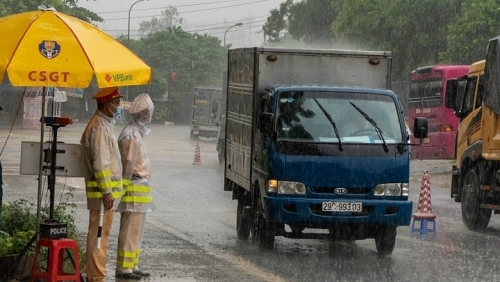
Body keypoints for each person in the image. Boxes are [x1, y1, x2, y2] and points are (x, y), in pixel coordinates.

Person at [80, 87, 124, 282]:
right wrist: (107, 192)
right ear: (107, 105)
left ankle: (94, 274)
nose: (118, 107)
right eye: (116, 103)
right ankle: (96, 277)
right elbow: (101, 164)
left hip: (103, 195)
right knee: (99, 237)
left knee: (99, 236)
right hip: (101, 196)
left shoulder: (103, 125)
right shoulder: (99, 127)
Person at [115, 93, 154, 280]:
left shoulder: (136, 133)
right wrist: (123, 188)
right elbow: (128, 163)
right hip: (133, 187)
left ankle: (132, 264)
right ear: (143, 114)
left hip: (140, 188)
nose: (149, 117)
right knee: (129, 229)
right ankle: (124, 268)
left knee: (137, 229)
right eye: (147, 113)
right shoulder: (131, 135)